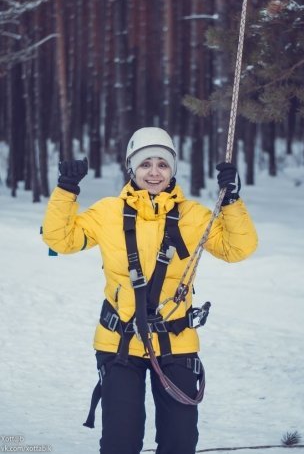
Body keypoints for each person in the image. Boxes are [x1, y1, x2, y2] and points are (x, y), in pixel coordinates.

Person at [42, 127, 257, 454]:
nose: (154, 172)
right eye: (145, 164)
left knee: (179, 442)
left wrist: (231, 200)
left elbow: (238, 249)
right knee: (121, 441)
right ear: (132, 168)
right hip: (120, 343)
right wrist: (66, 189)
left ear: (173, 169)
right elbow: (59, 239)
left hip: (177, 341)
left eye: (162, 164)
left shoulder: (194, 216)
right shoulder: (107, 212)